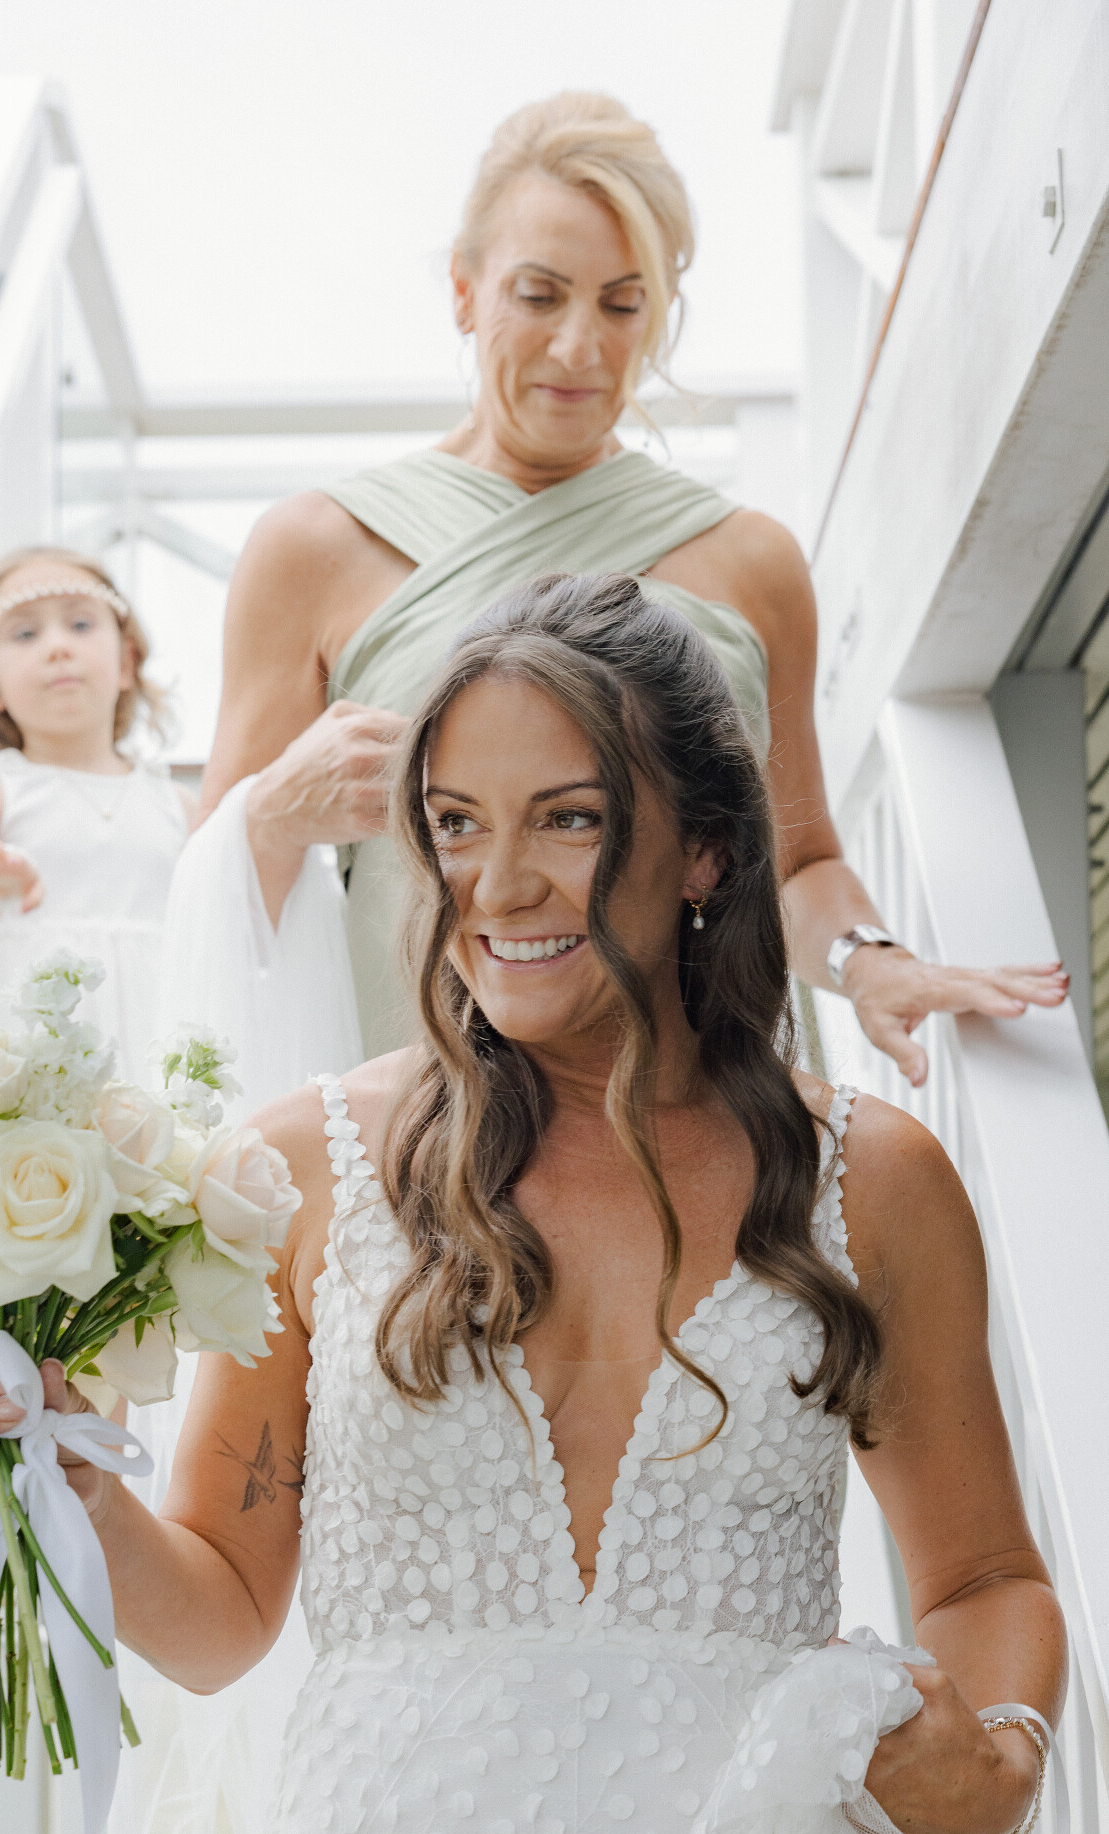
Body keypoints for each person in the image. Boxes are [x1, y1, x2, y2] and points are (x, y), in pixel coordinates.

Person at [0, 574, 1101, 1834]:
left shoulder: (875, 1179)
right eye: (457, 824)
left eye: (570, 820)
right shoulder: (303, 1165)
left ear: (704, 852)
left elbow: (984, 1582)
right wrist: (57, 1483)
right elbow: (223, 1615)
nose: (501, 884)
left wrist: (997, 1753)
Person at [166, 91, 1066, 1097]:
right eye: (538, 295)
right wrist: (273, 809)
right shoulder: (314, 551)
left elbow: (794, 864)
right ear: (464, 290)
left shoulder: (751, 564)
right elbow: (212, 894)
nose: (579, 348)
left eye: (622, 303)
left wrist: (870, 962)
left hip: (692, 1102)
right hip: (429, 1110)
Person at [0, 546, 189, 1071]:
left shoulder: (175, 804)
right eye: (25, 634)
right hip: (28, 1050)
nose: (58, 647)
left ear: (126, 664)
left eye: (81, 624)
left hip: (155, 1034)